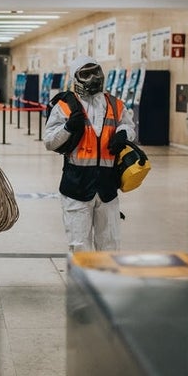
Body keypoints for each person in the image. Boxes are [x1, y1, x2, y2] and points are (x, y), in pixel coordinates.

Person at [43, 55, 136, 253]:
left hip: (107, 187)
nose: (93, 78)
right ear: (76, 78)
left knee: (110, 245)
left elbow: (129, 126)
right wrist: (67, 128)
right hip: (76, 186)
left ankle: (105, 283)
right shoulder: (65, 106)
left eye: (96, 72)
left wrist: (123, 134)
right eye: (86, 74)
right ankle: (82, 284)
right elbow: (49, 141)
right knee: (80, 247)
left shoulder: (114, 104)